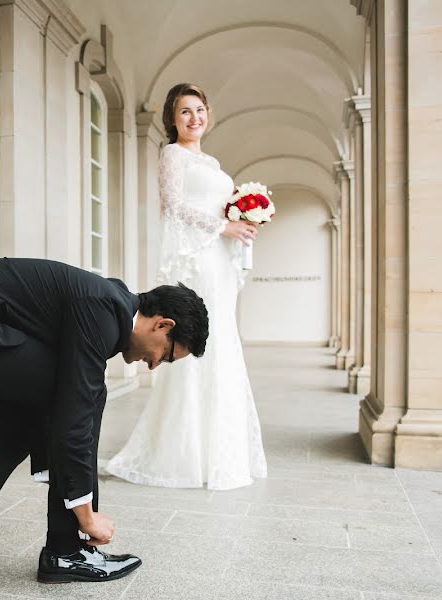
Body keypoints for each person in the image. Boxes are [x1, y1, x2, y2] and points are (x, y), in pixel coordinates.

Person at [0, 257, 209, 583]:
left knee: (24, 425)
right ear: (162, 325)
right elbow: (75, 416)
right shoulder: (104, 308)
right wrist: (87, 515)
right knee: (84, 395)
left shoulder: (109, 303)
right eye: (166, 355)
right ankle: (67, 551)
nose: (154, 365)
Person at [105, 83, 268, 490]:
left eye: (199, 109)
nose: (194, 118)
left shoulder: (211, 163)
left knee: (224, 343)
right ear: (173, 120)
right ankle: (184, 455)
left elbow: (215, 206)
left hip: (220, 261)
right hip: (198, 261)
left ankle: (223, 452)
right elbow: (173, 205)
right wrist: (223, 225)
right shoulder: (172, 154)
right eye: (184, 112)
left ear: (208, 113)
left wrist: (243, 222)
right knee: (199, 343)